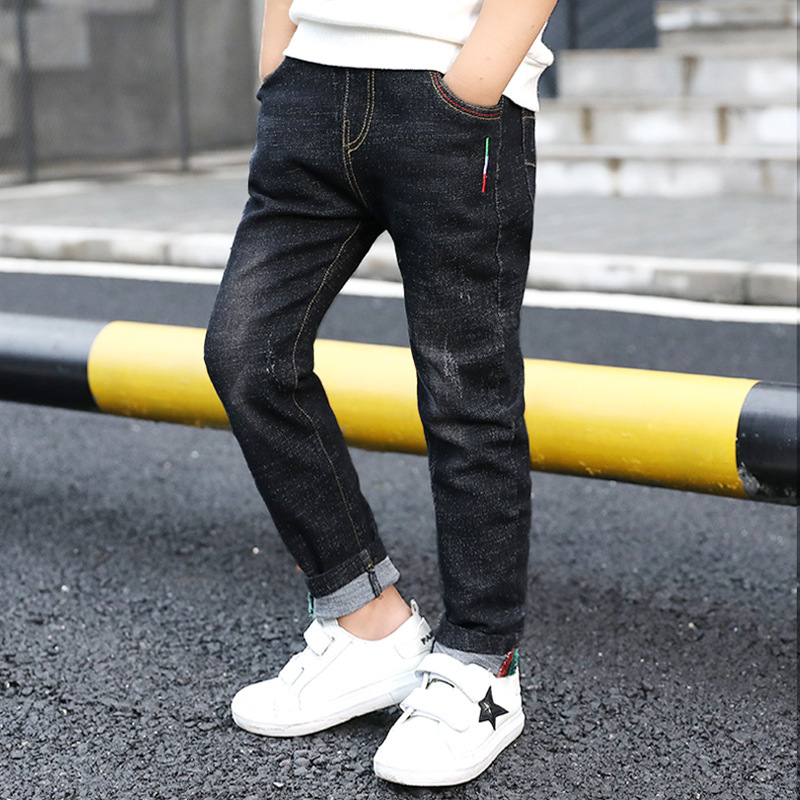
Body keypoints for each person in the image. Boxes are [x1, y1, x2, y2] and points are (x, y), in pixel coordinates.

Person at [204, 0, 557, 787]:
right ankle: (370, 626)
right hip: (309, 88)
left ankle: (481, 666)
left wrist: (474, 84)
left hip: (450, 91)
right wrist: (279, 66)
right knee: (247, 353)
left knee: (466, 392)